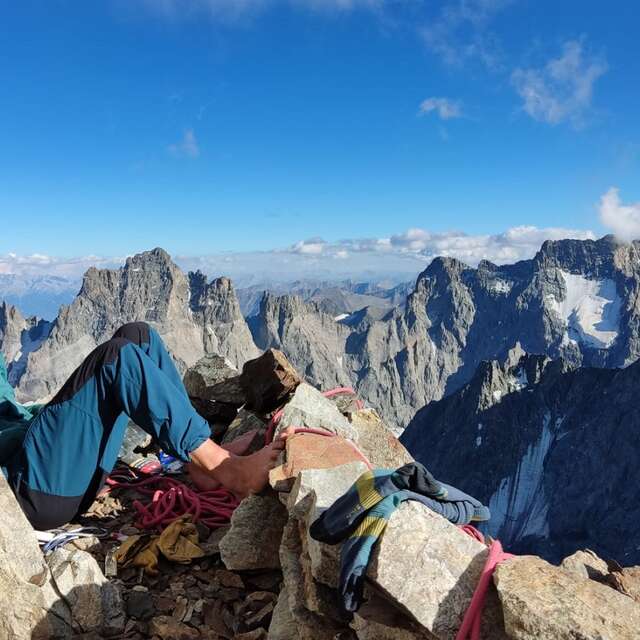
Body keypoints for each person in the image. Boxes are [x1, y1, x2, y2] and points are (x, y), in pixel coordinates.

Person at [2, 322, 288, 531]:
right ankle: (229, 470)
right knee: (115, 358)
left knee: (138, 335)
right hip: (31, 490)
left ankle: (198, 463)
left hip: (54, 474)